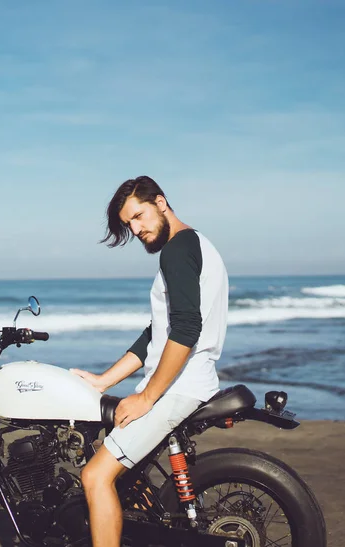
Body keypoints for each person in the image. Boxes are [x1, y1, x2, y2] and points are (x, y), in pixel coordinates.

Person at [70, 176, 228, 547]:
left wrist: (146, 398)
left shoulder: (177, 249)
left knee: (95, 477)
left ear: (161, 201)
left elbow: (186, 330)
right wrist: (104, 380)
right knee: (106, 451)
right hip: (184, 381)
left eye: (139, 216)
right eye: (129, 224)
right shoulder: (197, 244)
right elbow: (158, 332)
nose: (136, 229)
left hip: (178, 386)